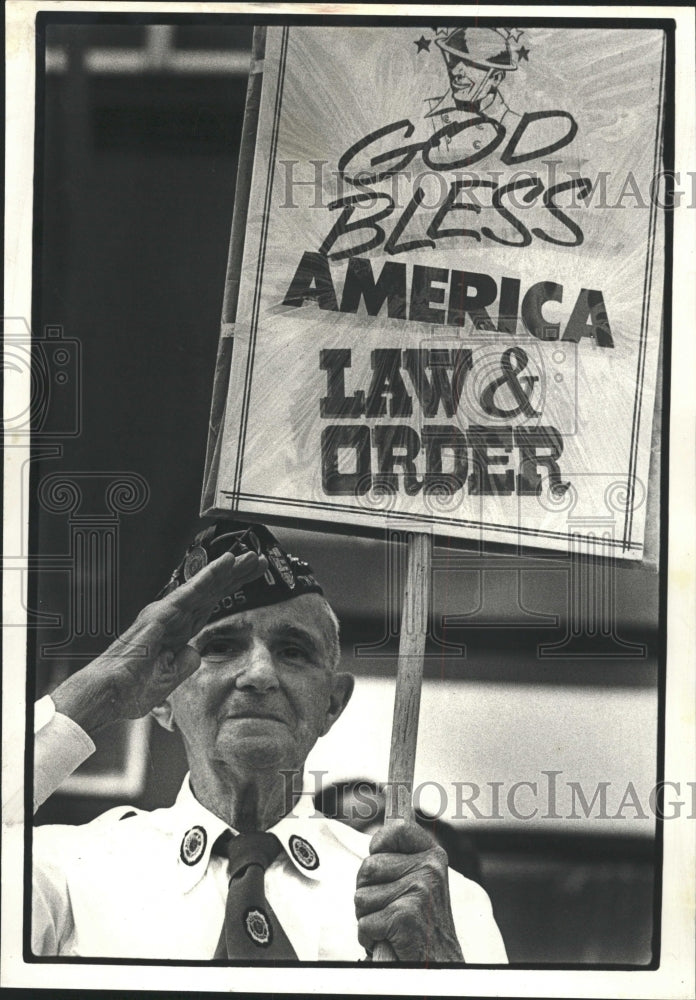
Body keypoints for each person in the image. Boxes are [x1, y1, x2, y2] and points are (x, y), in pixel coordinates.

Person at [28, 521, 507, 963]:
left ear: (332, 704)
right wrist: (93, 694)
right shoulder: (65, 870)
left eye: (293, 651)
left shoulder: (431, 900)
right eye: (220, 647)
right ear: (162, 697)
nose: (259, 674)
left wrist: (444, 969)